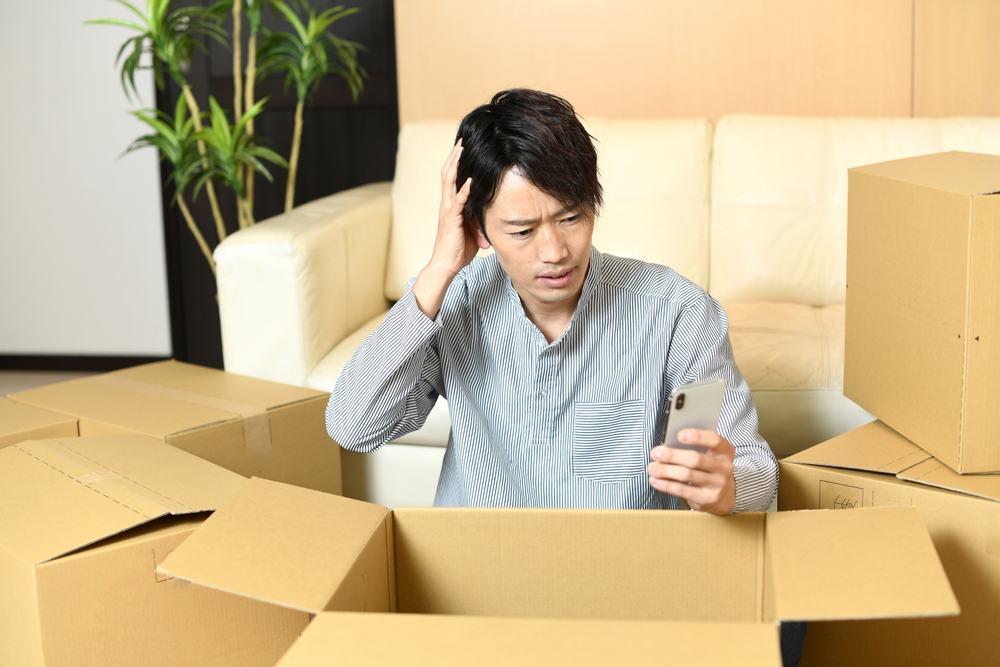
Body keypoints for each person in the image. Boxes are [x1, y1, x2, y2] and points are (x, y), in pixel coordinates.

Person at [327, 88, 778, 515]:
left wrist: (729, 487)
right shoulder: (453, 303)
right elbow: (353, 426)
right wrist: (438, 270)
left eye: (571, 217)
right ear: (478, 229)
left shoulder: (677, 312)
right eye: (522, 231)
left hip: (622, 564)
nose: (555, 252)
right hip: (481, 560)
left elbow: (754, 467)